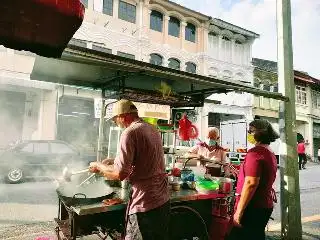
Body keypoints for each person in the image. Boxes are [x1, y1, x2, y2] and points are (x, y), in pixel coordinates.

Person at [89, 99, 170, 240]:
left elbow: (120, 173)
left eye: (115, 119)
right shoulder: (152, 129)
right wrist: (114, 160)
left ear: (123, 116)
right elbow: (143, 157)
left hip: (145, 204)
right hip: (162, 201)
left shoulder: (129, 133)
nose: (116, 123)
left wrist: (98, 166)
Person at [226, 119, 279, 240]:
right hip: (264, 205)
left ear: (261, 133)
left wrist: (239, 212)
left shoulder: (255, 153)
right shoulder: (269, 152)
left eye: (251, 131)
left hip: (252, 207)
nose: (248, 134)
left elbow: (251, 183)